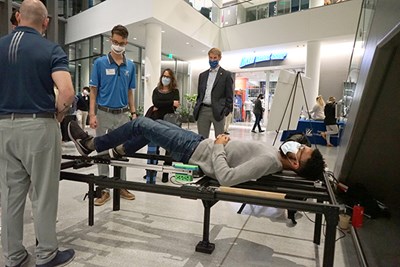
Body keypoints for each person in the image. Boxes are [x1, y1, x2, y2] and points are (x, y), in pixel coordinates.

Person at [0, 0, 76, 266]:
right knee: (43, 193)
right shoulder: (50, 49)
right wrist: (57, 113)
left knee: (9, 196)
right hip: (38, 126)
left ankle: (13, 256)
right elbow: (66, 93)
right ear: (46, 22)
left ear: (18, 17)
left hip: (3, 128)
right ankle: (46, 254)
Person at [68, 117, 326, 187]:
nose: (298, 145)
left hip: (193, 150)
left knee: (141, 124)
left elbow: (226, 177)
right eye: (302, 145)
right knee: (152, 125)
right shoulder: (278, 154)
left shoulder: (269, 160)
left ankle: (92, 145)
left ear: (294, 164)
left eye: (300, 150)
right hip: (197, 142)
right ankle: (118, 152)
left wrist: (218, 146)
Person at [89, 24, 137, 206]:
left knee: (122, 151)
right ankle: (103, 189)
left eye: (122, 43)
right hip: (103, 112)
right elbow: (93, 91)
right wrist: (92, 114)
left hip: (123, 114)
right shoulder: (100, 63)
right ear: (111, 40)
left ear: (126, 42)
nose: (118, 45)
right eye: (115, 42)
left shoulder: (130, 66)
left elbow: (130, 91)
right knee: (102, 151)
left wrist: (133, 113)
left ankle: (120, 186)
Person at [144, 68, 180, 183]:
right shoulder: (156, 90)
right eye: (164, 76)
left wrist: (163, 105)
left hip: (169, 121)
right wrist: (170, 103)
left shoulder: (175, 91)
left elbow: (175, 106)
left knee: (168, 148)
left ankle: (166, 172)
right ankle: (151, 171)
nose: (165, 78)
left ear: (172, 78)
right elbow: (156, 103)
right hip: (155, 119)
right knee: (154, 147)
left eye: (168, 77)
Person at [193, 47, 233, 138]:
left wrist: (225, 111)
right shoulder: (203, 75)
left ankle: (218, 153)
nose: (212, 60)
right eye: (210, 58)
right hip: (203, 110)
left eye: (215, 58)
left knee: (220, 139)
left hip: (218, 111)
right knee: (202, 140)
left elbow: (229, 96)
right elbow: (200, 94)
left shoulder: (226, 75)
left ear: (219, 58)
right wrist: (197, 105)